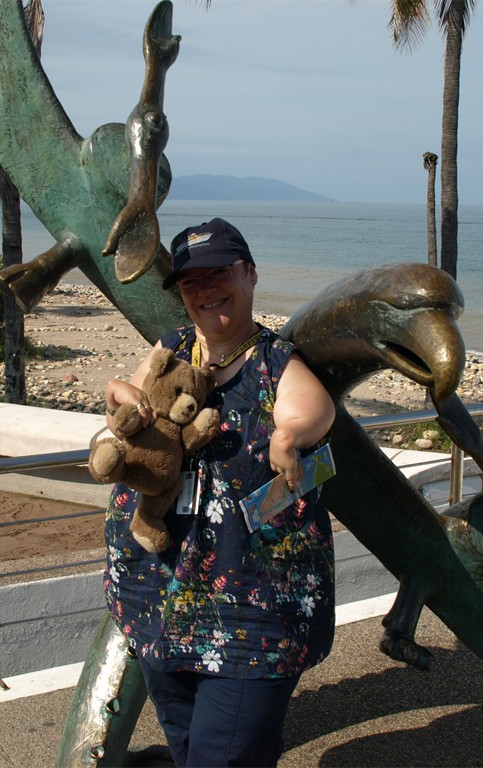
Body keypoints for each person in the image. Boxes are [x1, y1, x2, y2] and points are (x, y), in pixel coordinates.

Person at [102, 217, 337, 767]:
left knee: (223, 756)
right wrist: (121, 401)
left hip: (252, 613)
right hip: (157, 595)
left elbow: (314, 409)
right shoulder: (171, 350)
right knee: (186, 746)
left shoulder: (276, 360)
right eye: (191, 283)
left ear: (250, 274)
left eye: (218, 274)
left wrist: (288, 434)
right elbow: (132, 404)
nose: (205, 290)